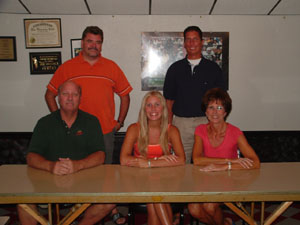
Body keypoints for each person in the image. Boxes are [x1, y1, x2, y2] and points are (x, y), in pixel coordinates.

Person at [18, 81, 115, 225]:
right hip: (48, 184)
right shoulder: (44, 123)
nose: (70, 98)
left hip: (84, 184)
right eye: (65, 94)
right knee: (22, 204)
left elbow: (100, 155)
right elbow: (31, 157)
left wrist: (78, 165)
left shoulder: (92, 121)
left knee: (110, 202)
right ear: (58, 97)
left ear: (80, 98)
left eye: (75, 94)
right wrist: (51, 166)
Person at [45, 26, 132, 165]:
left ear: (101, 45)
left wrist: (120, 123)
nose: (94, 46)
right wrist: (60, 121)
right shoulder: (67, 67)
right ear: (82, 43)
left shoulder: (111, 67)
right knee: (75, 175)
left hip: (104, 133)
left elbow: (125, 96)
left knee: (105, 177)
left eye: (98, 42)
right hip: (75, 132)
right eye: (90, 41)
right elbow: (49, 95)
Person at [188, 88, 260, 225]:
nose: (215, 112)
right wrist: (229, 160)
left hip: (229, 179)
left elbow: (255, 162)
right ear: (205, 111)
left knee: (209, 206)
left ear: (225, 112)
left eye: (219, 107)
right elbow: (197, 160)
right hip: (206, 178)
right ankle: (225, 223)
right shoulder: (200, 130)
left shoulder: (235, 132)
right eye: (211, 107)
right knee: (193, 208)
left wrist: (223, 167)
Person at [120, 91, 185, 225]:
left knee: (154, 196)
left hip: (165, 179)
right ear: (144, 109)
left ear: (163, 108)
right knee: (155, 191)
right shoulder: (134, 128)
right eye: (149, 105)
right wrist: (161, 161)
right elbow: (124, 159)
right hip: (138, 179)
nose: (153, 109)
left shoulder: (172, 130)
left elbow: (181, 160)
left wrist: (150, 163)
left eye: (157, 105)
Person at [163, 26, 226, 163]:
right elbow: (169, 100)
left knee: (206, 163)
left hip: (207, 123)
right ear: (184, 43)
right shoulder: (175, 69)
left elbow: (221, 100)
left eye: (195, 39)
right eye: (188, 40)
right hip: (181, 124)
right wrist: (168, 126)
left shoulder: (213, 69)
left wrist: (218, 124)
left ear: (201, 42)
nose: (192, 43)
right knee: (180, 163)